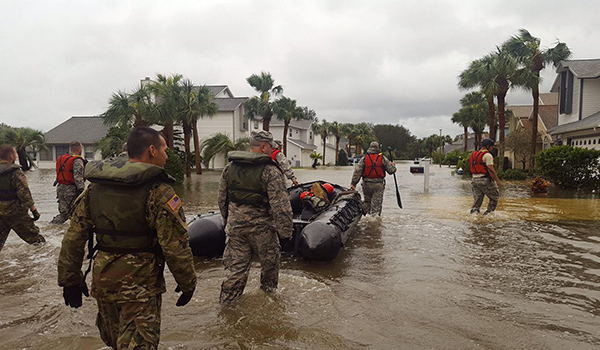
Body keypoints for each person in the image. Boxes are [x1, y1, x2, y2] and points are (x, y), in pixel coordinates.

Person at [57, 127, 197, 349]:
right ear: (152, 150)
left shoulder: (95, 189)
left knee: (115, 342)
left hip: (104, 282)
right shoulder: (160, 192)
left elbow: (74, 236)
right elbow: (175, 246)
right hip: (140, 287)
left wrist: (70, 279)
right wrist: (188, 282)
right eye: (164, 150)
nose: (167, 155)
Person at [218, 130, 293, 303]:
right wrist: (286, 233)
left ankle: (227, 309)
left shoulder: (230, 168)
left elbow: (222, 199)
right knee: (269, 272)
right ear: (265, 147)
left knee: (234, 273)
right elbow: (281, 208)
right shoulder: (271, 172)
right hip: (263, 232)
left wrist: (227, 221)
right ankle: (269, 306)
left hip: (235, 230)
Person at [0, 144, 45, 252]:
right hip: (16, 212)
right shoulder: (16, 173)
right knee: (37, 241)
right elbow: (24, 194)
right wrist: (34, 211)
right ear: (11, 157)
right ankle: (44, 262)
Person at [350, 141, 396, 216]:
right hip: (378, 185)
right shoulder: (382, 158)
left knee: (367, 203)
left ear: (370, 148)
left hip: (366, 185)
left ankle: (365, 218)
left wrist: (353, 183)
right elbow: (392, 170)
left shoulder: (364, 158)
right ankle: (374, 222)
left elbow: (357, 171)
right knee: (376, 207)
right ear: (378, 148)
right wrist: (392, 165)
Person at [51, 141, 86, 224]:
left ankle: (53, 228)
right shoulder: (77, 160)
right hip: (71, 190)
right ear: (79, 149)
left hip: (60, 188)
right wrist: (82, 191)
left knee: (65, 213)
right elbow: (78, 177)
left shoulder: (62, 158)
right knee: (73, 213)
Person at [469, 138, 501, 215]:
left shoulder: (473, 154)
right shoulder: (488, 155)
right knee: (495, 197)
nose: (492, 148)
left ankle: (474, 215)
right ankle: (488, 214)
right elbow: (490, 169)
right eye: (491, 147)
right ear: (488, 146)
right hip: (484, 179)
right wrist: (497, 180)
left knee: (477, 201)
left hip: (474, 180)